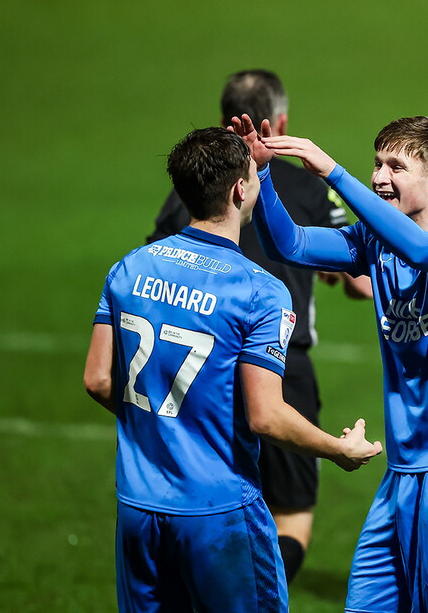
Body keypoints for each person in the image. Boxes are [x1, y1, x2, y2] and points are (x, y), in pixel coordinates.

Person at [84, 126, 381, 613]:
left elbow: (97, 379)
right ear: (241, 189)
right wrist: (337, 449)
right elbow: (266, 417)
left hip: (138, 506)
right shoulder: (259, 290)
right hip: (218, 511)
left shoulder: (129, 268)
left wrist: (163, 423)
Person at [232, 113, 428, 613]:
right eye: (376, 164)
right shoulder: (375, 242)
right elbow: (289, 243)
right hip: (403, 470)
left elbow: (425, 252)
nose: (380, 176)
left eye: (395, 167)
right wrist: (266, 174)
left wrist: (334, 173)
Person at [147, 69, 372, 584]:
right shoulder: (310, 188)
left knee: (212, 497)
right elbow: (359, 282)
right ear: (280, 121)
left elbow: (157, 258)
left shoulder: (190, 190)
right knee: (291, 514)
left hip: (199, 362)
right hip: (282, 362)